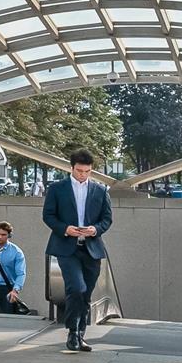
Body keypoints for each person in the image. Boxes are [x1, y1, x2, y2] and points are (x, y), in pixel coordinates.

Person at [41, 150, 112, 352]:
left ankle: (80, 334)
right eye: (80, 171)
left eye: (87, 171)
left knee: (86, 294)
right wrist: (65, 229)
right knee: (76, 288)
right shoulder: (57, 189)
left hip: (91, 249)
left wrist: (95, 229)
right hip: (66, 248)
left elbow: (107, 219)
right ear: (71, 168)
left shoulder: (100, 191)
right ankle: (72, 332)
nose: (83, 175)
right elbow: (48, 215)